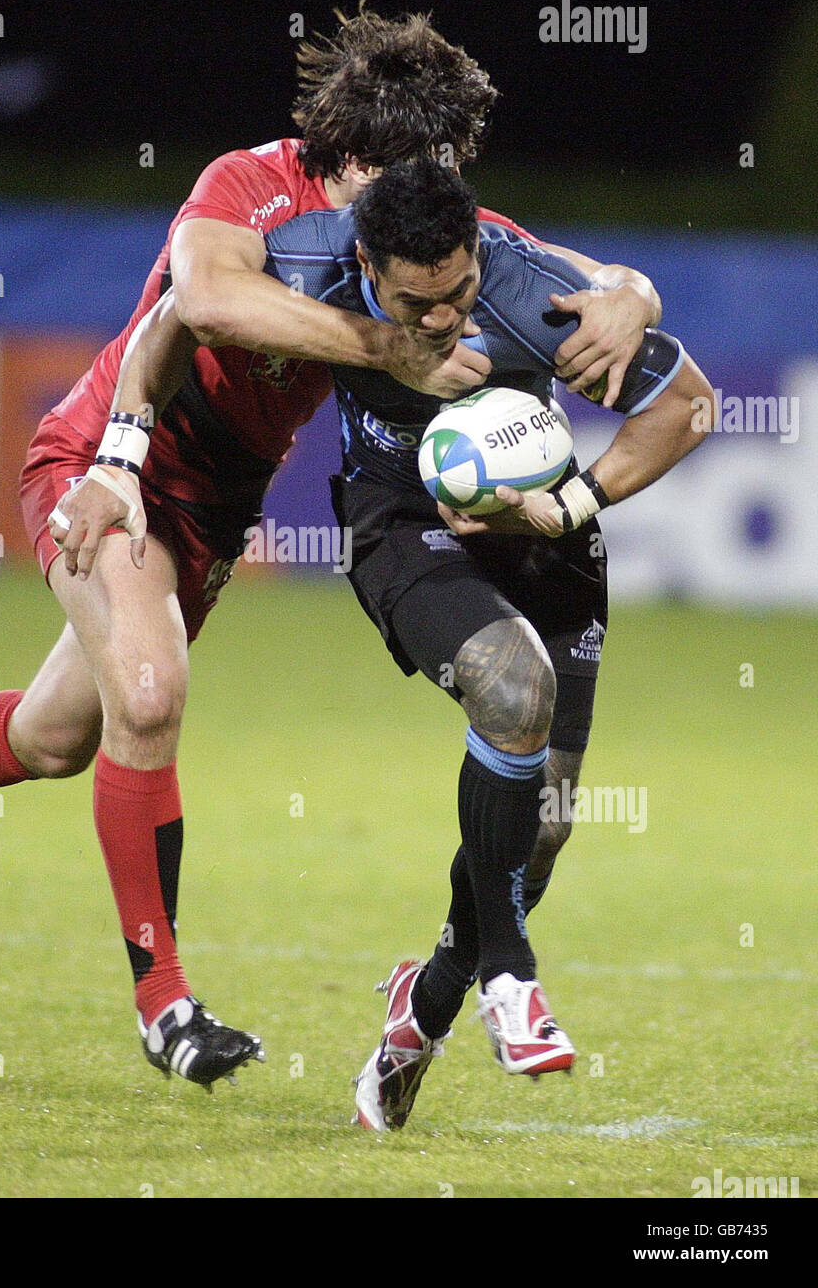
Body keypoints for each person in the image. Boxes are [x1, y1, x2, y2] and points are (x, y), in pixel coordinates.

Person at [0, 10, 659, 1091]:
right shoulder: (251, 192)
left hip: (215, 504)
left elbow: (574, 274)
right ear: (359, 158)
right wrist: (379, 348)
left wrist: (632, 293)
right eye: (424, 165)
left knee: (62, 737)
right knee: (149, 697)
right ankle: (167, 1007)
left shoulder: (411, 240)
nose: (440, 193)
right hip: (113, 467)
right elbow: (196, 300)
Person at [251, 157, 713, 1129]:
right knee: (510, 686)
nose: (442, 318)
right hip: (398, 522)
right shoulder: (300, 262)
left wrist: (570, 502)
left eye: (456, 290)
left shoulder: (527, 295)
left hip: (541, 537)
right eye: (415, 302)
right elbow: (192, 298)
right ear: (366, 266)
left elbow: (685, 404)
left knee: (540, 827)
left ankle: (420, 1008)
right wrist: (121, 448)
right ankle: (511, 977)